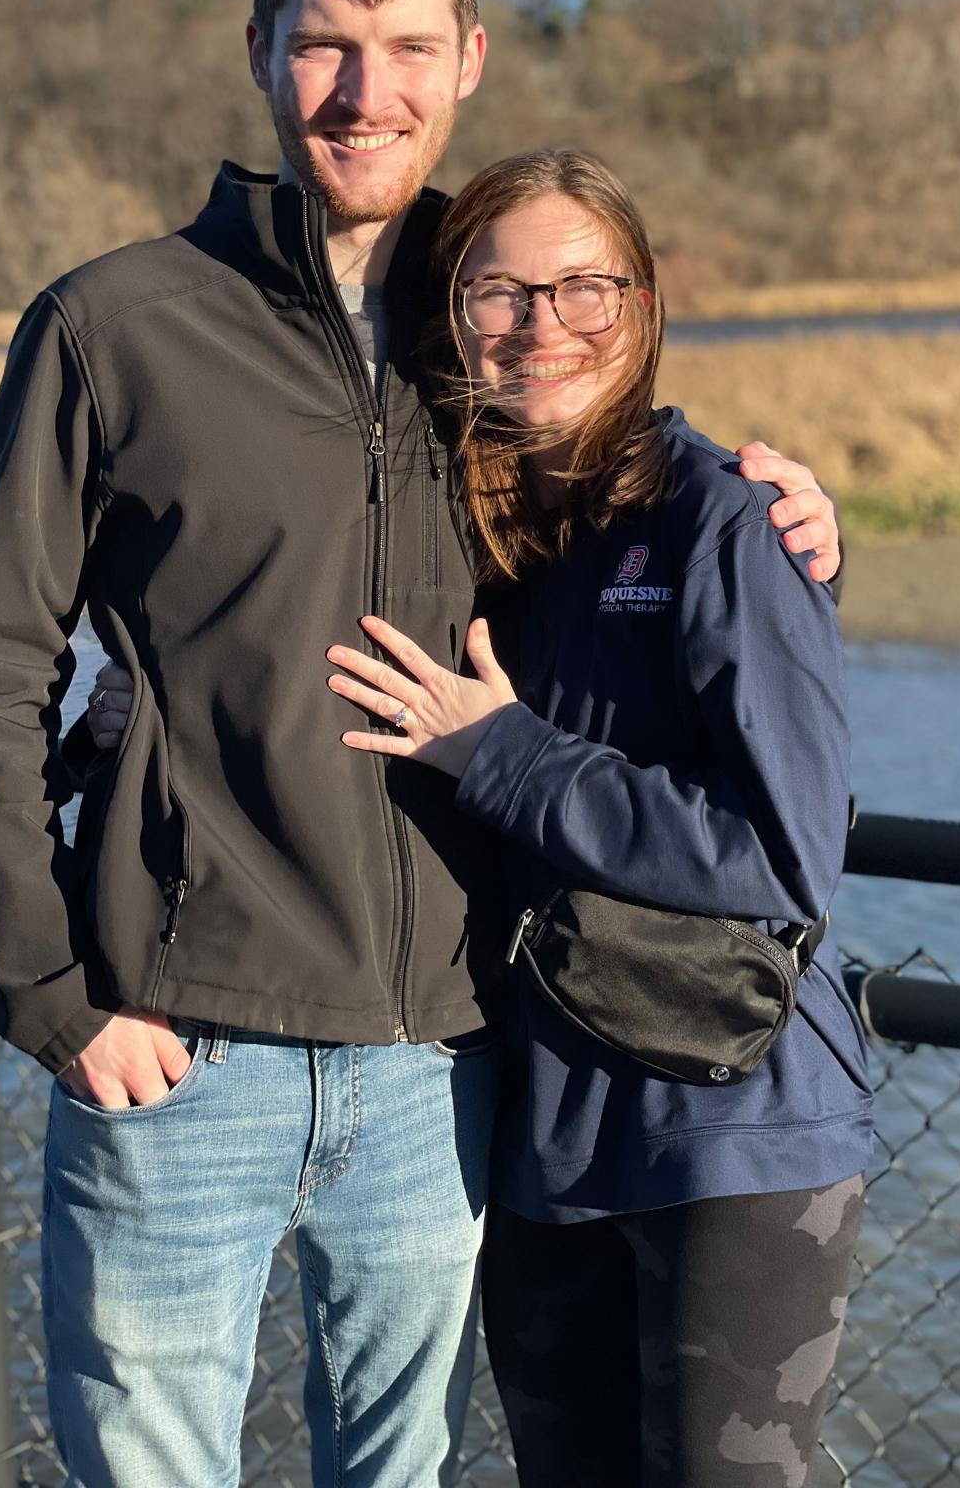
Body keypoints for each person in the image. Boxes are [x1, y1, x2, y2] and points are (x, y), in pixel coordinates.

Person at [0, 0, 846, 1488]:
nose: (365, 93)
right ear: (261, 48)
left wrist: (788, 528)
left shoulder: (491, 321)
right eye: (323, 44)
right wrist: (52, 992)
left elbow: (637, 496)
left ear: (467, 58)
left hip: (447, 1064)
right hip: (173, 1050)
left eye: (409, 46)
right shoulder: (113, 326)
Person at [316, 149, 873, 1486]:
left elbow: (782, 853)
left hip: (729, 1129)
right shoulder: (468, 531)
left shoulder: (723, 518)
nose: (541, 326)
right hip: (538, 1134)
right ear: (452, 320)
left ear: (643, 304)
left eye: (583, 287)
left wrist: (500, 752)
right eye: (498, 293)